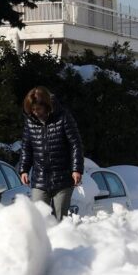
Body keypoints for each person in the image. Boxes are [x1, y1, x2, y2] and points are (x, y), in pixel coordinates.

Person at [19, 86, 84, 221]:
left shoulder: (63, 117)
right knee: (38, 219)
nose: (35, 112)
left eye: (38, 109)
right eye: (32, 109)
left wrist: (76, 169)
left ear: (46, 106)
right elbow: (26, 147)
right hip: (39, 178)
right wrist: (24, 169)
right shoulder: (30, 122)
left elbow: (75, 144)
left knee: (60, 219)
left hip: (63, 178)